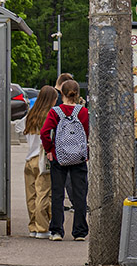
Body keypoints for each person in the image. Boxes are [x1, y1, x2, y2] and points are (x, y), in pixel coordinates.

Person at [39, 79, 90, 242]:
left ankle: (57, 231)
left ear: (62, 93)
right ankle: (80, 231)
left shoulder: (55, 112)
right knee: (80, 194)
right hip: (79, 158)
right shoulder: (82, 112)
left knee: (58, 193)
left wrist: (49, 150)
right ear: (77, 94)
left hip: (59, 157)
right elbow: (86, 133)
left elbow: (45, 132)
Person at [15, 85, 59, 238]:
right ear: (51, 100)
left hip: (29, 159)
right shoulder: (50, 116)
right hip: (42, 160)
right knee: (43, 194)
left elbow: (18, 129)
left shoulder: (31, 115)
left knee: (31, 195)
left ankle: (33, 226)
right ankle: (42, 228)